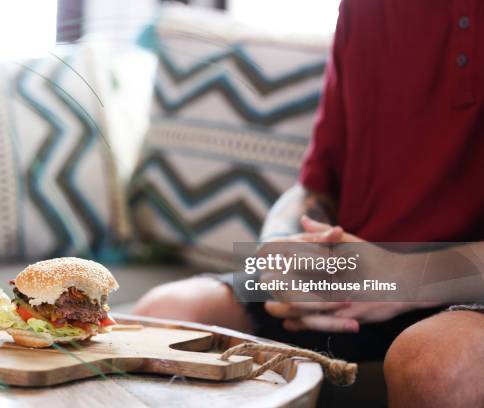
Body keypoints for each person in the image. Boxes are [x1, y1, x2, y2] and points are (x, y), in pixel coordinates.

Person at [133, 1, 484, 406]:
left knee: (439, 368)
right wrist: (282, 254)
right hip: (354, 280)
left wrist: (407, 277)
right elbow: (315, 187)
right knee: (162, 317)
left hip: (464, 289)